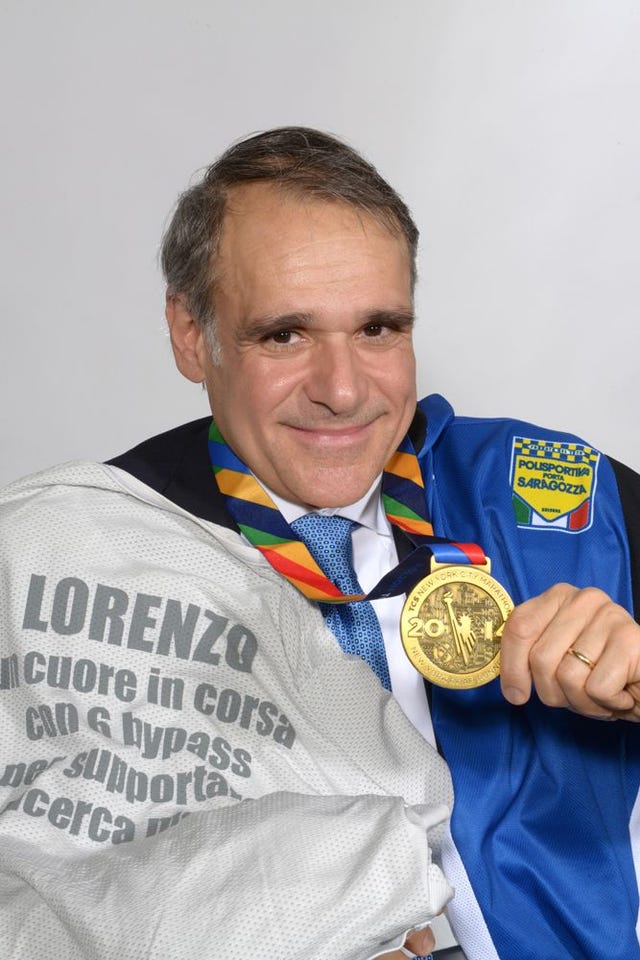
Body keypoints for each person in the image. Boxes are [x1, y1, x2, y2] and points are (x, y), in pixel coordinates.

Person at [1, 127, 639, 960]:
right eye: (285, 335)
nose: (343, 391)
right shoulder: (69, 549)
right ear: (193, 335)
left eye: (378, 329)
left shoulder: (557, 495)